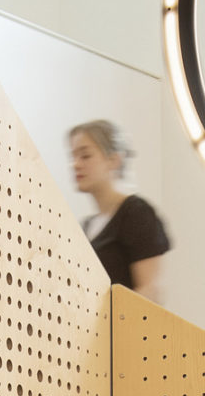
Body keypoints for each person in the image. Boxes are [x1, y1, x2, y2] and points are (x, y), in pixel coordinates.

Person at [69, 119, 170, 296]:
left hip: (123, 323)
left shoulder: (136, 213)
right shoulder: (85, 226)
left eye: (85, 156)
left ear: (114, 160)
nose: (76, 164)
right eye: (73, 157)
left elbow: (150, 291)